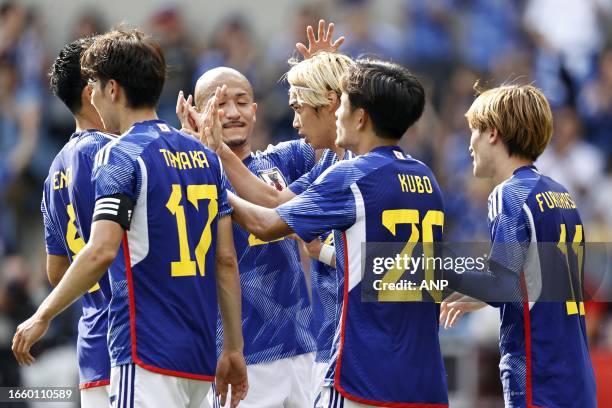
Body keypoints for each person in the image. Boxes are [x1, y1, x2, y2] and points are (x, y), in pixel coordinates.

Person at [12, 29, 247, 408]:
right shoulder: (207, 157)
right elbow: (225, 260)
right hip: (201, 354)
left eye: (98, 85)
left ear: (113, 90)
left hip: (143, 349)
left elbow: (99, 251)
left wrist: (42, 315)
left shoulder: (117, 156)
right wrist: (234, 347)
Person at [206, 58, 448, 407]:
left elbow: (266, 223)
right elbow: (410, 268)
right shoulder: (426, 177)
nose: (336, 112)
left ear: (360, 117)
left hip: (361, 374)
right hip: (423, 377)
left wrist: (213, 181)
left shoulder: (351, 177)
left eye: (343, 104)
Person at [442, 84, 597, 407]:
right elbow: (531, 284)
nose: (469, 143)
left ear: (494, 133)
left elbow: (503, 284)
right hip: (575, 375)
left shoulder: (508, 194)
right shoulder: (560, 195)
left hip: (538, 375)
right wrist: (480, 295)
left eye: (474, 130)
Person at [187, 66, 318, 408]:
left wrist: (325, 75)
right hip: (245, 357)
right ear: (196, 113)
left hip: (304, 346)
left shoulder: (288, 159)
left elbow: (335, 137)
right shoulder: (191, 181)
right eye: (219, 104)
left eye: (242, 102)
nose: (232, 113)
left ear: (255, 110)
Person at [41, 36, 114, 407]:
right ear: (92, 92)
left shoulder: (55, 168)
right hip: (133, 342)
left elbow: (56, 272)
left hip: (92, 345)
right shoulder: (112, 152)